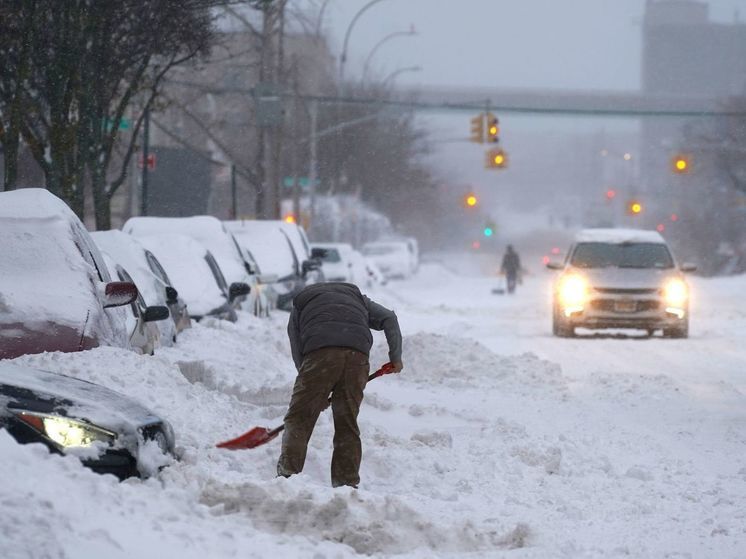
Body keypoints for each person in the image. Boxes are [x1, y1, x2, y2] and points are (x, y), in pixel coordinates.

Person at [277, 282, 403, 488]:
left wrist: (314, 390)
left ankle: (287, 478)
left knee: (299, 419)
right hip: (357, 357)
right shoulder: (358, 299)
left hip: (320, 355)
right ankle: (346, 483)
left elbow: (297, 348)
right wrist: (396, 357)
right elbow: (390, 318)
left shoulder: (301, 304)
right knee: (347, 422)